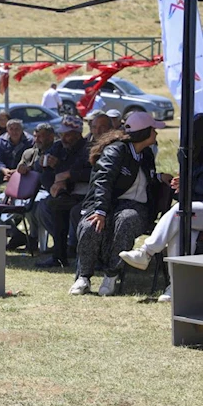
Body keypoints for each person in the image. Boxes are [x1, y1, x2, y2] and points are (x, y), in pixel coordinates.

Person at [71, 112, 172, 296]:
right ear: (144, 132)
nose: (156, 134)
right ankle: (83, 277)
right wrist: (100, 210)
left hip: (136, 207)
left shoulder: (146, 154)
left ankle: (111, 276)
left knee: (127, 220)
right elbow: (103, 181)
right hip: (107, 204)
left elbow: (141, 177)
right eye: (153, 130)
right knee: (90, 225)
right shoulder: (116, 151)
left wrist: (158, 177)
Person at [120, 114, 203, 302]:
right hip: (197, 212)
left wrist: (190, 185)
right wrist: (180, 186)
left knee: (180, 212)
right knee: (180, 229)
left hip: (197, 210)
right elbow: (187, 196)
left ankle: (146, 252)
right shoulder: (192, 159)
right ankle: (177, 287)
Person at [0, 122, 54, 251]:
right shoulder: (29, 153)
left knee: (34, 204)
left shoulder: (55, 152)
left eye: (42, 136)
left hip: (42, 191)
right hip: (20, 191)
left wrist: (32, 168)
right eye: (36, 136)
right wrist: (11, 192)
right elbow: (18, 173)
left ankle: (33, 238)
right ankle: (16, 234)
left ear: (51, 137)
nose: (37, 139)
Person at [35, 115, 89, 268]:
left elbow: (83, 173)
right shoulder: (59, 146)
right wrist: (42, 163)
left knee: (69, 210)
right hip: (60, 193)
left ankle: (75, 251)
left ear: (78, 134)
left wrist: (60, 167)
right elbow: (39, 167)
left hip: (83, 194)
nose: (63, 138)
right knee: (50, 206)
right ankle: (59, 255)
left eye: (68, 134)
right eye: (62, 134)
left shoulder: (86, 148)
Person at [0, 118, 33, 195]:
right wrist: (5, 170)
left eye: (17, 129)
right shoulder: (0, 141)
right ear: (7, 130)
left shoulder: (30, 141)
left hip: (23, 170)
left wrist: (17, 171)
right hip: (6, 170)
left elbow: (32, 159)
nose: (14, 132)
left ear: (22, 130)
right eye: (11, 129)